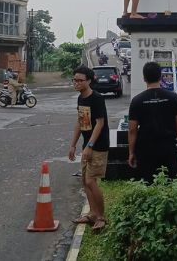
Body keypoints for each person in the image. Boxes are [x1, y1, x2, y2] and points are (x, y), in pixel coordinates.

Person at [128, 61, 177, 184]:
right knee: (171, 182)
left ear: (144, 78)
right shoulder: (173, 98)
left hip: (145, 149)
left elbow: (132, 130)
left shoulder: (137, 100)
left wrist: (131, 152)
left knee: (147, 182)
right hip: (168, 147)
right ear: (161, 76)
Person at [68, 65, 110, 232]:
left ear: (89, 81)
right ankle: (92, 214)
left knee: (91, 181)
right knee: (85, 181)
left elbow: (100, 123)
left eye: (80, 80)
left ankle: (101, 217)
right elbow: (80, 122)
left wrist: (90, 146)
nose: (76, 83)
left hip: (98, 145)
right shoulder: (81, 98)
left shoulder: (96, 98)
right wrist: (73, 145)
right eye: (75, 80)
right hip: (87, 145)